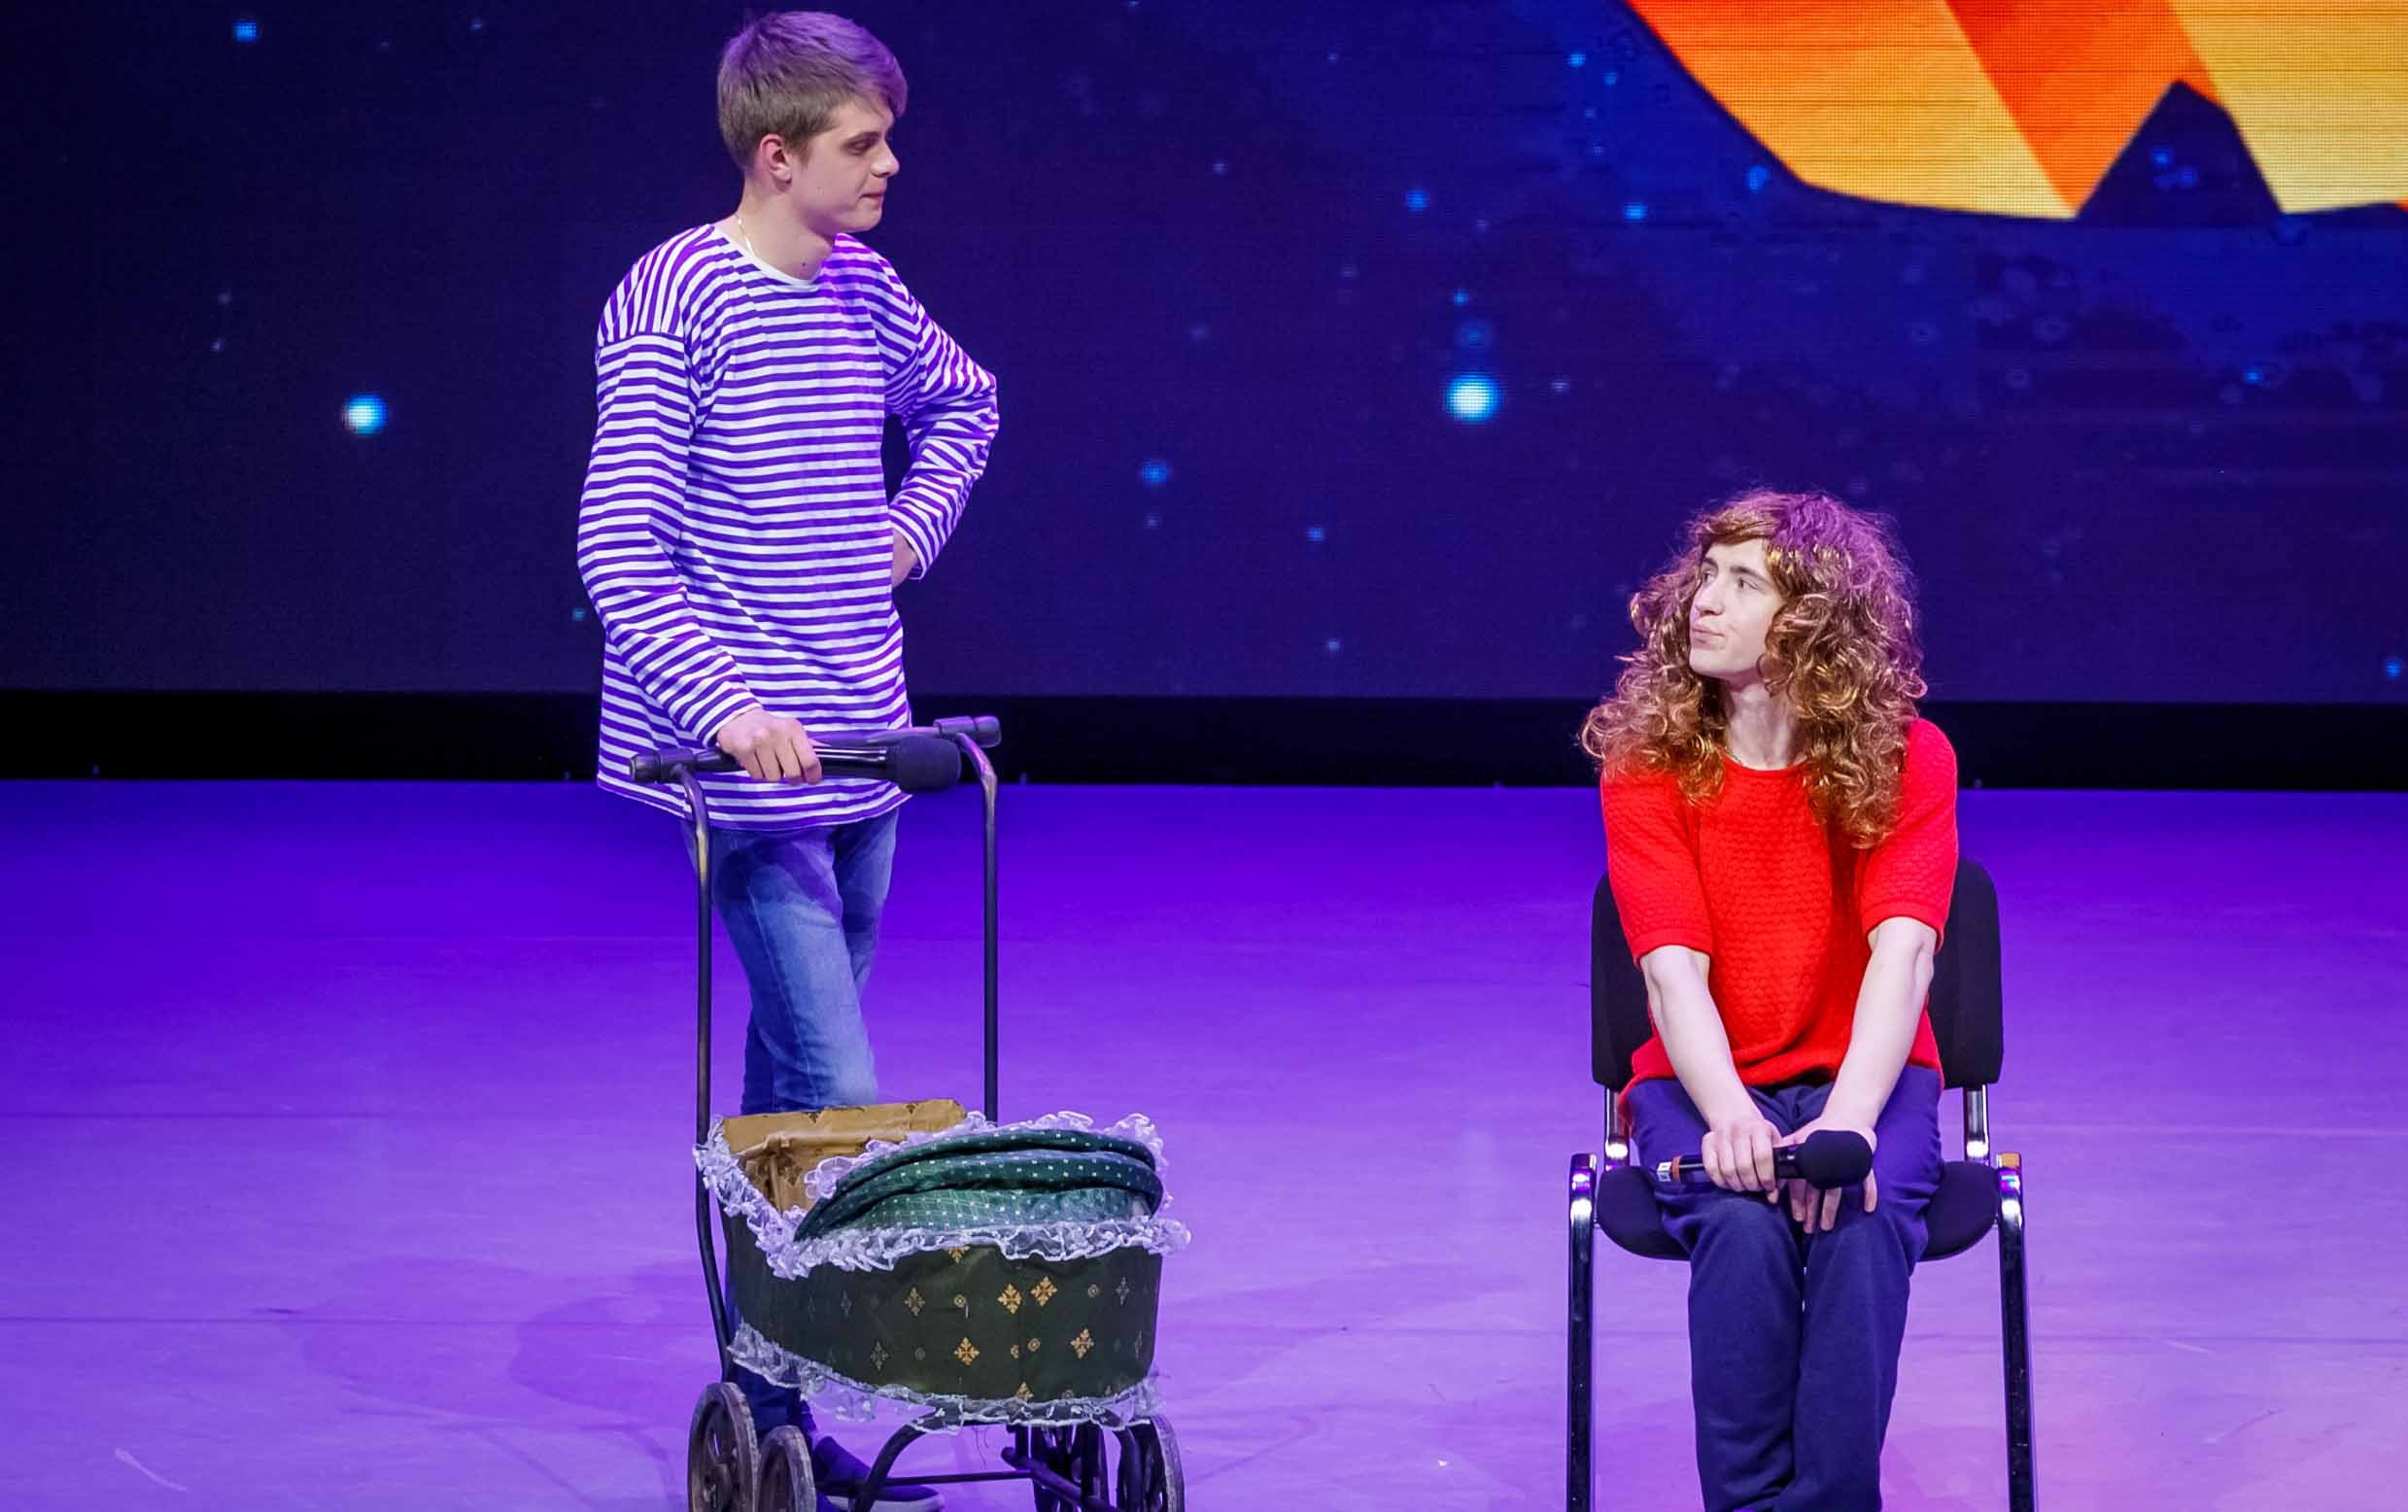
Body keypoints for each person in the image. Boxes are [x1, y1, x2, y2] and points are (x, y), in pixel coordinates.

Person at [574, 13, 998, 1506]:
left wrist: (904, 535)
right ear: (776, 155)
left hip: (864, 741)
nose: (889, 166)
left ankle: (765, 1403)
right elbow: (618, 543)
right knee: (838, 1083)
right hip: (745, 774)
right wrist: (724, 708)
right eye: (860, 144)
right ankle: (836, 1375)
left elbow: (965, 401)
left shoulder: (863, 287)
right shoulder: (674, 297)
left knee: (785, 1091)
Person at [1582, 489, 1957, 1512]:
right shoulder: (1648, 764)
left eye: (1743, 583)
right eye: (1706, 574)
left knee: (1861, 1222)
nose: (1704, 600)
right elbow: (1670, 972)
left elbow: (1904, 953)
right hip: (1701, 1081)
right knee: (1742, 1230)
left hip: (1866, 1077)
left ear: (1814, 618)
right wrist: (1732, 1116)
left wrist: (1849, 1120)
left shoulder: (1909, 757)